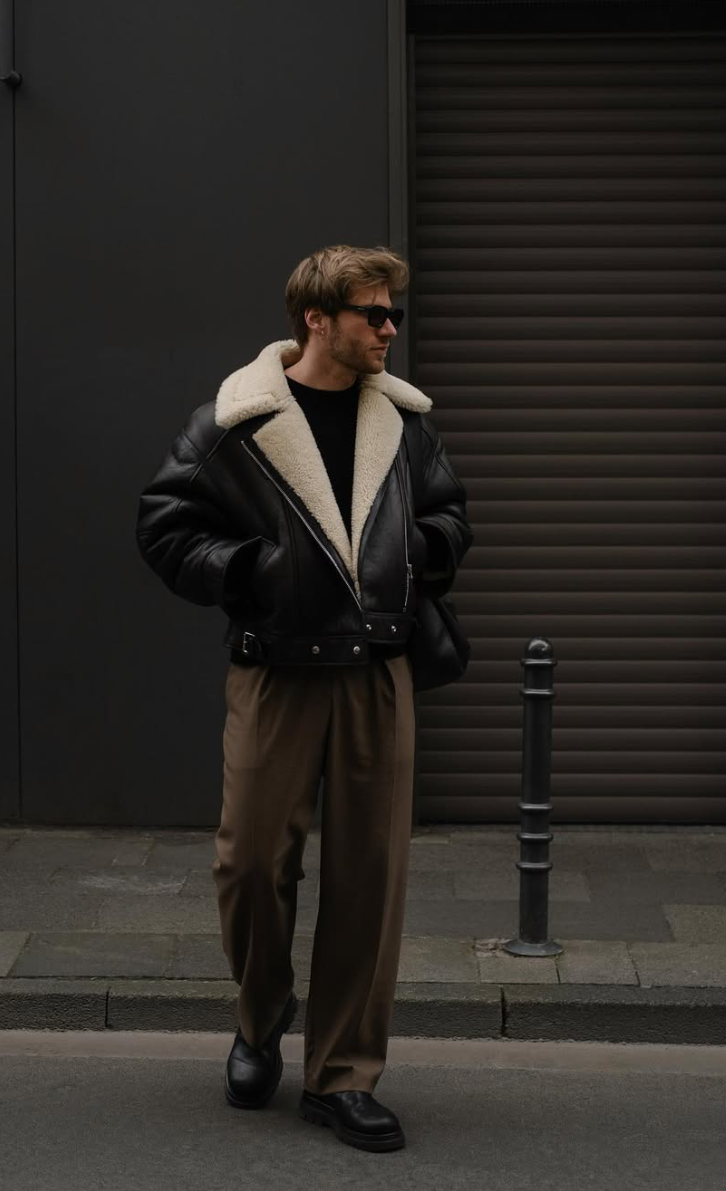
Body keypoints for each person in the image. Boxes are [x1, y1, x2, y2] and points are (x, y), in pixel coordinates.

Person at [136, 244, 473, 1152]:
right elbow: (163, 526)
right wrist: (247, 568)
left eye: (391, 313)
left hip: (376, 672)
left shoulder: (404, 425)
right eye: (373, 313)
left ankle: (341, 1074)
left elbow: (449, 515)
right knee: (248, 862)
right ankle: (259, 1015)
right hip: (276, 670)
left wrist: (422, 553)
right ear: (316, 319)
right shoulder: (235, 421)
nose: (389, 330)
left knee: (371, 880)